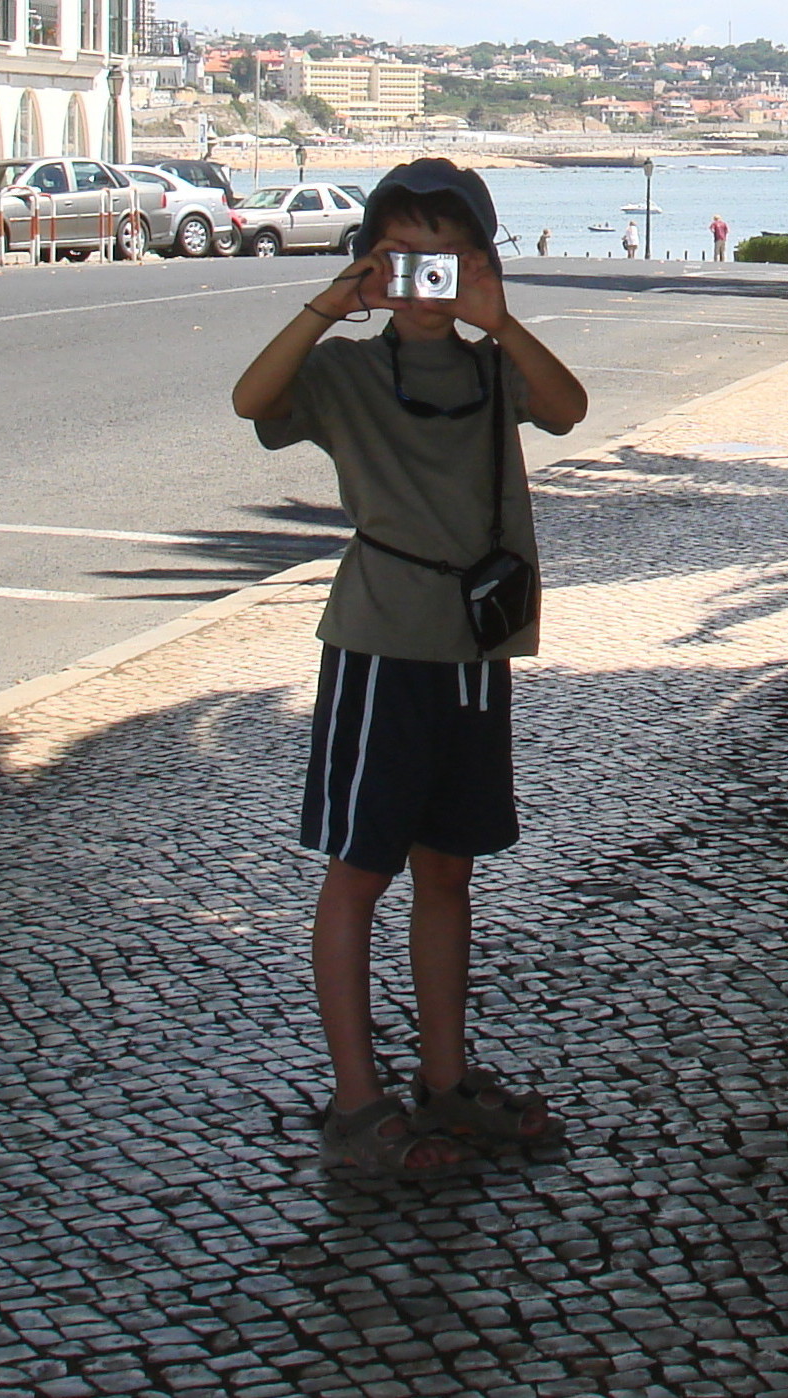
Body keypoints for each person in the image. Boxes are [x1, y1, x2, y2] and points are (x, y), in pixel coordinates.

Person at [232, 160, 589, 1179]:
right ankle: (357, 1102)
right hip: (382, 643)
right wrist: (329, 304)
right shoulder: (346, 374)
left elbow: (566, 407)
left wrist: (500, 320)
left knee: (448, 870)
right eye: (403, 256)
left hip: (475, 650)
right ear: (371, 262)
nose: (426, 277)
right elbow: (250, 397)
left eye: (448, 255)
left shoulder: (490, 368)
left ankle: (446, 1078)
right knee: (358, 873)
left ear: (479, 260)